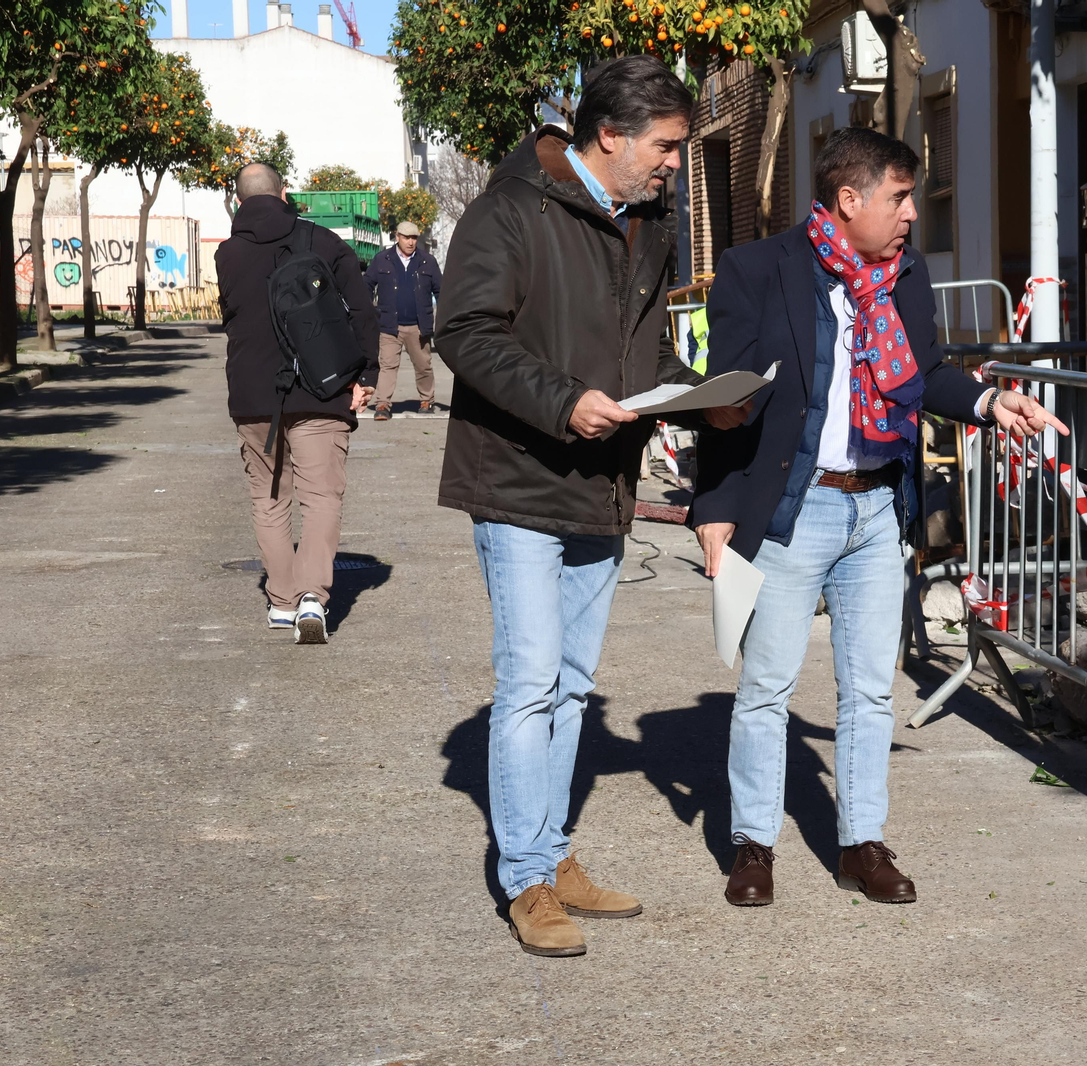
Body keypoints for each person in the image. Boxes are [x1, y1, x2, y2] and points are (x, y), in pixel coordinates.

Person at [689, 127, 1066, 908]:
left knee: (868, 690)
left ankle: (861, 842)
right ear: (848, 198)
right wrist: (716, 507)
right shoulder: (757, 270)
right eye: (899, 198)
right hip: (794, 509)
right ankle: (752, 845)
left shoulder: (906, 275)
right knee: (766, 686)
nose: (910, 217)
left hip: (876, 510)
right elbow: (724, 400)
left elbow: (923, 373)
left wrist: (993, 402)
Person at [434, 56, 745, 959]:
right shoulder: (508, 209)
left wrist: (697, 394)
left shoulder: (645, 225)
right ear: (609, 136)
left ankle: (551, 855)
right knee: (530, 683)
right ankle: (526, 880)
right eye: (665, 147)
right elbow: (465, 332)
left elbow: (638, 359)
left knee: (571, 687)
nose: (673, 166)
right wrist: (561, 399)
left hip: (602, 487)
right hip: (518, 481)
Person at [215, 162, 378, 644]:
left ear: (239, 202)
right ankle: (313, 595)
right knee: (321, 497)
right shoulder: (326, 244)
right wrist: (365, 376)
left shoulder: (227, 254)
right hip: (322, 392)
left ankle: (283, 601)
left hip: (252, 398)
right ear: (284, 194)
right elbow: (363, 312)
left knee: (269, 500)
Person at [365, 220, 443, 419]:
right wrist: (368, 312)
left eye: (414, 238)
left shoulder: (428, 261)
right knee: (387, 365)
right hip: (390, 325)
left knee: (423, 365)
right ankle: (382, 405)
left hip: (418, 326)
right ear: (397, 236)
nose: (410, 242)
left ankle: (427, 400)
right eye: (406, 237)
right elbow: (366, 285)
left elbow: (441, 291)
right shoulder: (382, 260)